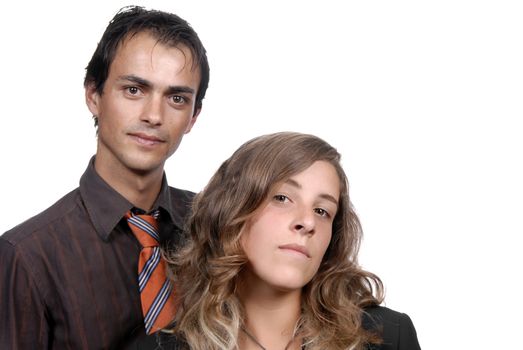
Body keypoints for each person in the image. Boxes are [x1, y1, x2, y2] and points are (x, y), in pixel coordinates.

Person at [0, 5, 209, 349]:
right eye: (134, 90)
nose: (154, 115)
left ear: (193, 116)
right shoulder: (28, 255)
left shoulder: (217, 224)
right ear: (93, 95)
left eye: (176, 98)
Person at [162, 132, 421, 349]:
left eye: (322, 211)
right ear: (232, 210)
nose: (308, 222)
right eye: (282, 198)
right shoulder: (161, 345)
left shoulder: (389, 338)